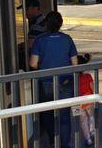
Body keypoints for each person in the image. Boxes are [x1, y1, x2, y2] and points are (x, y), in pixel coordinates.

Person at [29, 11, 78, 148]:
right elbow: (75, 63)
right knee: (64, 116)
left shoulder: (40, 40)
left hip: (46, 82)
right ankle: (65, 144)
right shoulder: (67, 39)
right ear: (60, 24)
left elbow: (33, 63)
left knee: (47, 114)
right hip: (66, 82)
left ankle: (52, 140)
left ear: (46, 25)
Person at [78, 54, 96, 147]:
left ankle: (88, 139)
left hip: (77, 103)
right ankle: (93, 133)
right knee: (91, 116)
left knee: (83, 121)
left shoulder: (73, 78)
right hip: (89, 99)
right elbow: (92, 88)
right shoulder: (88, 76)